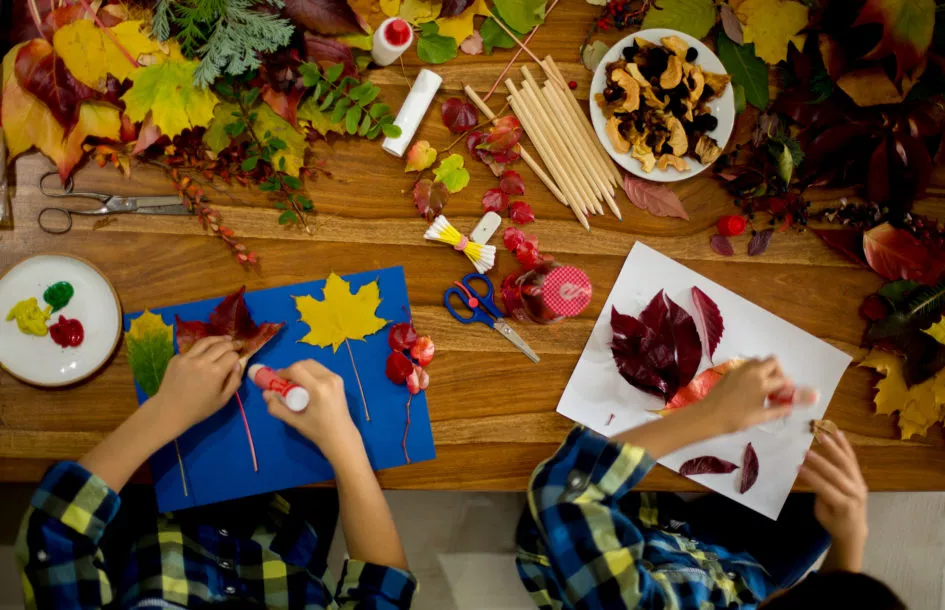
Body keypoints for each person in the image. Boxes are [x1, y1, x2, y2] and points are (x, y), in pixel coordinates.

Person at [16, 336, 416, 609]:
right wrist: (343, 442)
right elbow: (384, 584)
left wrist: (165, 411)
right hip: (287, 519)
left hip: (146, 505)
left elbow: (53, 532)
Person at [515, 357, 905, 609]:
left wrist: (710, 416)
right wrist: (851, 538)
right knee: (830, 508)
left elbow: (564, 492)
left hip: (582, 541)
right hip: (725, 570)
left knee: (580, 485)